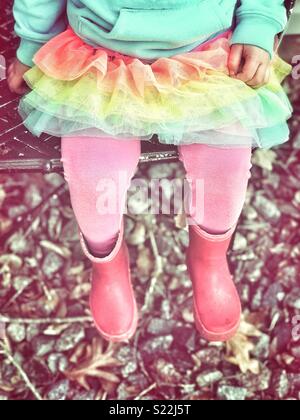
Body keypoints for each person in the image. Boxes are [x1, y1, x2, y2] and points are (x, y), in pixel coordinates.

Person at [8, 0, 293, 343]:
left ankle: (209, 258)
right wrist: (34, 42)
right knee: (94, 175)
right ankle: (107, 265)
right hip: (97, 57)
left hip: (208, 52)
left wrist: (259, 19)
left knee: (224, 169)